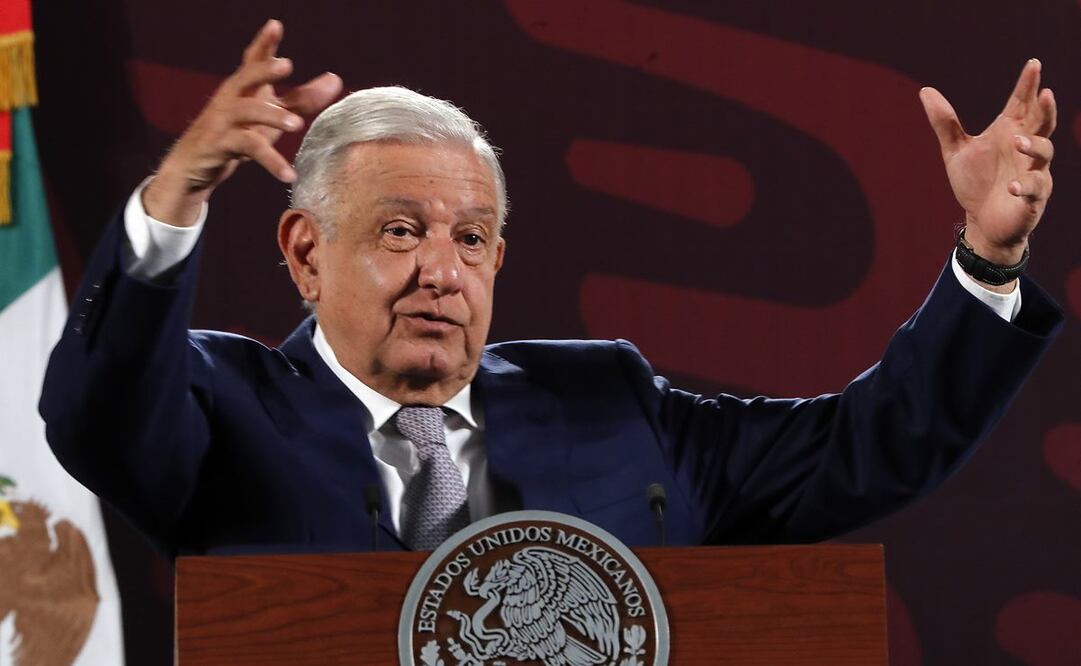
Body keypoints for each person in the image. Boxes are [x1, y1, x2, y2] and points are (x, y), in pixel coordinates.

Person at [40, 20, 1062, 557]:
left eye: (472, 238)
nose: (443, 269)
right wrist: (175, 198)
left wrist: (985, 255)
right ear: (306, 254)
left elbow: (863, 449)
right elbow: (97, 412)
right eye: (400, 231)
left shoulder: (608, 403)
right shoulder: (217, 407)